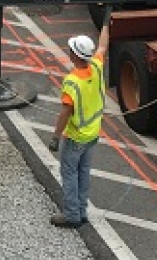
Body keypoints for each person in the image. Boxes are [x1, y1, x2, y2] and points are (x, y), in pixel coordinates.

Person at [47, 16, 111, 229]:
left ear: (74, 54)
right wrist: (106, 22)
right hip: (93, 134)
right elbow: (103, 45)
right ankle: (81, 210)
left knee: (70, 173)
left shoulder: (72, 81)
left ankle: (72, 215)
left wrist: (56, 137)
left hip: (76, 137)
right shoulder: (96, 66)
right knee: (83, 173)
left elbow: (66, 111)